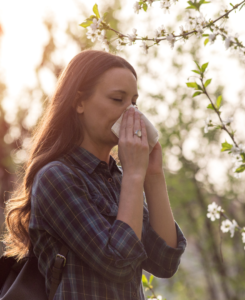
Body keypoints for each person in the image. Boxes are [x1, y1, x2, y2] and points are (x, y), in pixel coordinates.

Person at [1, 49, 187, 300]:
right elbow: (117, 262)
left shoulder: (119, 179)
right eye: (117, 99)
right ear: (79, 102)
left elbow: (165, 261)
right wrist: (134, 175)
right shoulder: (56, 178)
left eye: (134, 102)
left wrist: (153, 176)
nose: (131, 113)